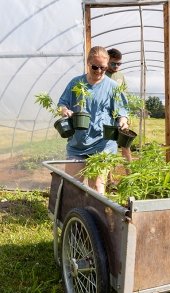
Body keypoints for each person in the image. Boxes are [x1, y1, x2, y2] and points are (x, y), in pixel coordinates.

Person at [58, 46, 129, 194]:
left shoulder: (112, 87)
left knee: (96, 188)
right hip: (77, 144)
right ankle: (76, 216)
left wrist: (123, 120)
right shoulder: (76, 83)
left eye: (103, 68)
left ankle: (95, 216)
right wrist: (65, 110)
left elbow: (122, 110)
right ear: (88, 64)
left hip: (102, 146)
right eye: (94, 67)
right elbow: (62, 103)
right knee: (72, 188)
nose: (98, 71)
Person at [106, 48, 132, 163]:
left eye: (119, 63)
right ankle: (109, 179)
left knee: (125, 144)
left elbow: (125, 95)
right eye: (113, 63)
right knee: (108, 146)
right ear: (107, 61)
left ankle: (130, 175)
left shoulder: (121, 76)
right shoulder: (101, 74)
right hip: (107, 116)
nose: (116, 66)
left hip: (121, 115)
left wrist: (126, 116)